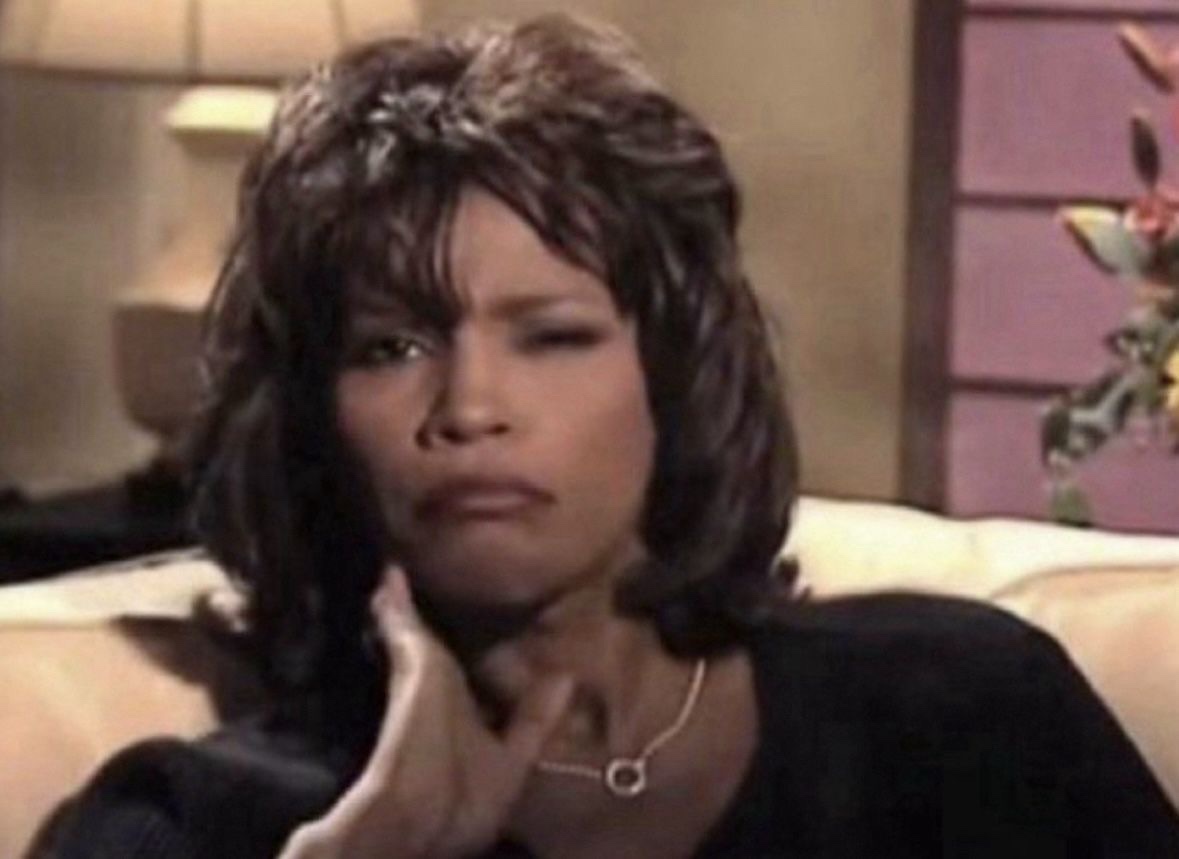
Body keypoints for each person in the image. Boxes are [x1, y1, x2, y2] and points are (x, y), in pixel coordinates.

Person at [42, 14, 1179, 858]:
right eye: (391, 346)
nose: (470, 407)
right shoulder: (196, 819)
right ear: (306, 414)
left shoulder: (961, 712)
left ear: (670, 376)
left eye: (553, 336)